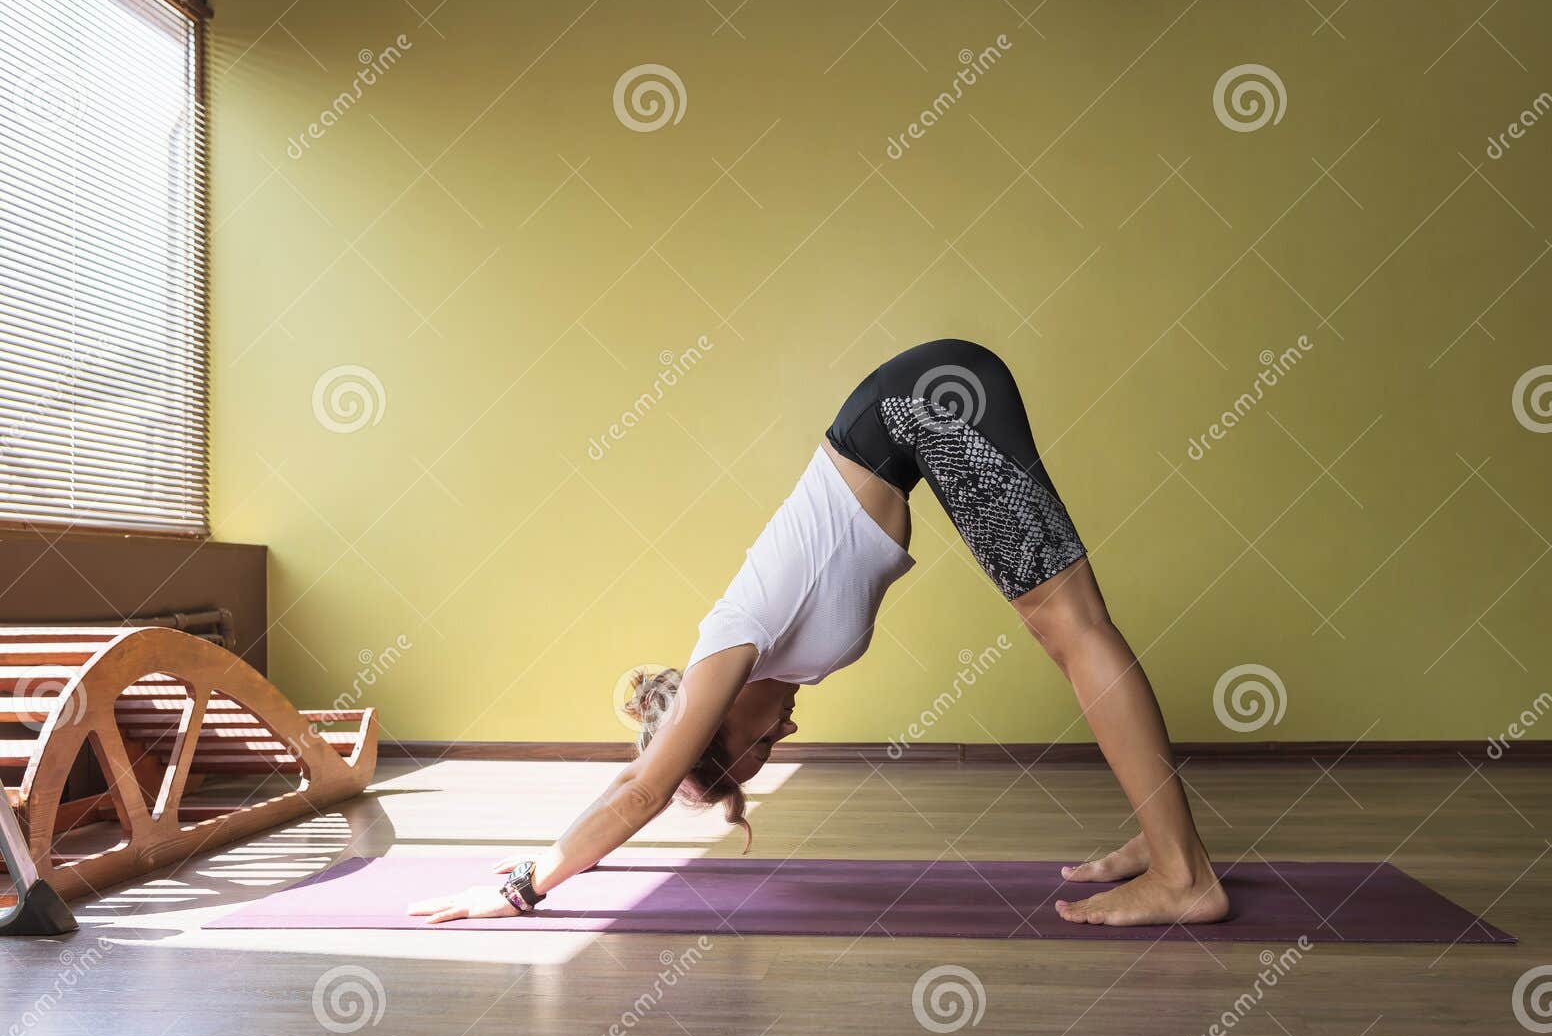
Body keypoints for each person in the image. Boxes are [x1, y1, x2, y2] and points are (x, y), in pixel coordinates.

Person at [407, 339, 1228, 928]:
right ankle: (1166, 842)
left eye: (762, 748)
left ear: (719, 724)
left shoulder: (731, 644)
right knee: (1068, 627)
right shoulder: (753, 660)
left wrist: (522, 885)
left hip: (926, 399)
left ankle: (1184, 875)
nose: (787, 733)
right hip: (917, 408)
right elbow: (641, 773)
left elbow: (640, 790)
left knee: (1070, 625)